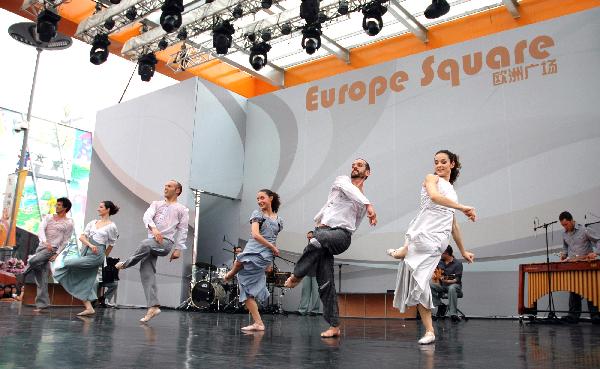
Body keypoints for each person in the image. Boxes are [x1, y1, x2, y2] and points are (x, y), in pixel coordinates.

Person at [387, 150, 475, 345]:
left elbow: (454, 226)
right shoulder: (431, 178)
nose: (439, 165)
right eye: (436, 162)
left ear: (452, 164)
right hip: (425, 227)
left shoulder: (452, 192)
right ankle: (429, 331)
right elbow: (434, 197)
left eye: (443, 162)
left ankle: (404, 250)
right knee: (420, 283)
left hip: (437, 237)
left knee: (419, 246)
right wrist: (462, 207)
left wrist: (463, 251)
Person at [284, 159, 377, 338]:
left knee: (317, 239)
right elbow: (352, 191)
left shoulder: (362, 201)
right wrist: (369, 204)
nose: (354, 167)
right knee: (325, 283)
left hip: (341, 236)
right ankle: (334, 325)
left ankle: (297, 274)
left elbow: (353, 224)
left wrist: (366, 206)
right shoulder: (342, 181)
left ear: (367, 173)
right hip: (323, 233)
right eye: (353, 165)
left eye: (359, 165)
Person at [116, 180, 189, 322]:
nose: (165, 188)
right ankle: (153, 307)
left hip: (165, 243)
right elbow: (147, 217)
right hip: (152, 241)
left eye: (169, 186)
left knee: (145, 244)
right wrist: (154, 229)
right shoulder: (156, 204)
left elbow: (183, 230)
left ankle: (127, 264)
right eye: (165, 186)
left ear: (178, 190)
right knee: (146, 272)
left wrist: (178, 249)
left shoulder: (181, 209)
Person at [224, 189, 283, 331]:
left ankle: (230, 274)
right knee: (246, 292)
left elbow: (272, 239)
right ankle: (258, 323)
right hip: (253, 248)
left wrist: (269, 259)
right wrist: (272, 247)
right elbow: (255, 235)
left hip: (264, 254)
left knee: (240, 261)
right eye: (257, 199)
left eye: (262, 198)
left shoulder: (279, 220)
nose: (259, 201)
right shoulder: (257, 214)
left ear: (271, 198)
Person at [54, 201, 119, 316]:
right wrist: (90, 245)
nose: (98, 209)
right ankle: (89, 308)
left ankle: (89, 305)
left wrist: (103, 257)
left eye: (101, 207)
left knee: (68, 262)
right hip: (87, 251)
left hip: (97, 255)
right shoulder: (93, 222)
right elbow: (82, 237)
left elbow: (112, 244)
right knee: (85, 280)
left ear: (108, 209)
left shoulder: (112, 226)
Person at [22, 197, 74, 312]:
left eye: (59, 205)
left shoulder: (69, 223)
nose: (56, 206)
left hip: (52, 249)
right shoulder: (48, 217)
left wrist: (56, 254)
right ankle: (42, 304)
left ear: (65, 208)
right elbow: (40, 229)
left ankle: (23, 273)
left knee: (33, 261)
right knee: (41, 277)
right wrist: (45, 242)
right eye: (57, 204)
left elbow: (66, 241)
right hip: (42, 247)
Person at [558, 211, 600, 323]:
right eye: (562, 225)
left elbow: (598, 240)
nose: (565, 227)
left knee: (590, 289)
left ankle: (595, 315)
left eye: (566, 224)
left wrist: (596, 253)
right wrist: (564, 254)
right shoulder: (564, 234)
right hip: (573, 265)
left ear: (572, 220)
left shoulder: (584, 230)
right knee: (574, 289)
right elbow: (565, 247)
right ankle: (573, 315)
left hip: (586, 264)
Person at [429, 245, 463, 321]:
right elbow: (437, 274)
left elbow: (457, 279)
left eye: (441, 253)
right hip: (443, 286)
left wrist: (448, 280)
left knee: (452, 287)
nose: (440, 255)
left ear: (446, 253)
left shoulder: (458, 263)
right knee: (430, 285)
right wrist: (435, 275)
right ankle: (440, 305)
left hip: (455, 286)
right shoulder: (439, 262)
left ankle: (453, 314)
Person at [297, 231, 320, 316]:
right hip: (307, 273)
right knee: (305, 292)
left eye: (310, 237)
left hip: (317, 273)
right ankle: (302, 310)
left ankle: (314, 311)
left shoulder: (320, 247)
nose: (309, 239)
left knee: (316, 293)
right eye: (308, 238)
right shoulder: (306, 248)